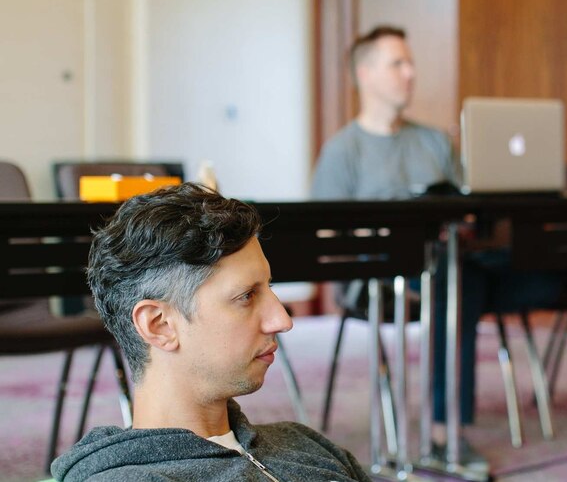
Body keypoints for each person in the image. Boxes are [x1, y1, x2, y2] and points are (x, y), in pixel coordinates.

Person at [310, 25, 567, 465]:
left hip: (455, 267)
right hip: (383, 278)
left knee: (546, 272)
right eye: (397, 64)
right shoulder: (342, 151)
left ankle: (446, 422)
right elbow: (328, 235)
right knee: (457, 285)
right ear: (364, 73)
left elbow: (468, 209)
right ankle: (446, 429)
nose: (411, 73)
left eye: (411, 63)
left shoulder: (433, 142)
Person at [51, 183, 371, 482]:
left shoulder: (304, 444)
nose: (282, 320)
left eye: (269, 287)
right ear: (159, 325)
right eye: (246, 296)